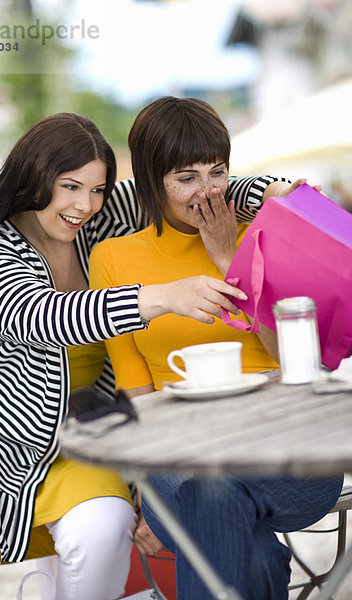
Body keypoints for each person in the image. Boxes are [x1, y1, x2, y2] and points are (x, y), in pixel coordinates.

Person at [0, 111, 289, 600]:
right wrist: (162, 297)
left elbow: (191, 182)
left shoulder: (99, 219)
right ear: (31, 179)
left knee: (104, 530)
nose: (84, 205)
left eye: (97, 189)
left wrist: (273, 192)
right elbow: (40, 317)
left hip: (85, 446)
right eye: (69, 187)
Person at [88, 97, 344, 600]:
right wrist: (136, 484)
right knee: (235, 527)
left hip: (288, 448)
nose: (206, 192)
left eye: (217, 172)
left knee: (213, 496)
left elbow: (301, 362)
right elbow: (132, 378)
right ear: (150, 180)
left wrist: (232, 256)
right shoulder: (115, 257)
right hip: (178, 449)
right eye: (186, 178)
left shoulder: (264, 235)